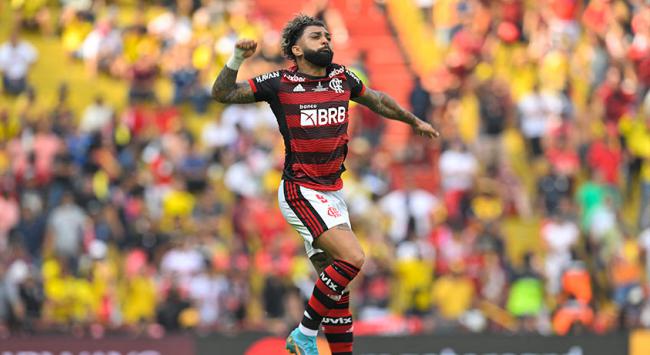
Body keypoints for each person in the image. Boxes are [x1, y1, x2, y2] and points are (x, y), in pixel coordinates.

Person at [211, 14, 439, 355]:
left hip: (332, 192)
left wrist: (413, 119)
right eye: (317, 37)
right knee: (353, 258)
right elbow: (223, 93)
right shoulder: (279, 83)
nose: (326, 41)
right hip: (300, 190)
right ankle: (304, 334)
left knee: (336, 291)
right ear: (297, 49)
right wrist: (237, 59)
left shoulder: (341, 78)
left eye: (328, 36)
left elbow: (377, 99)